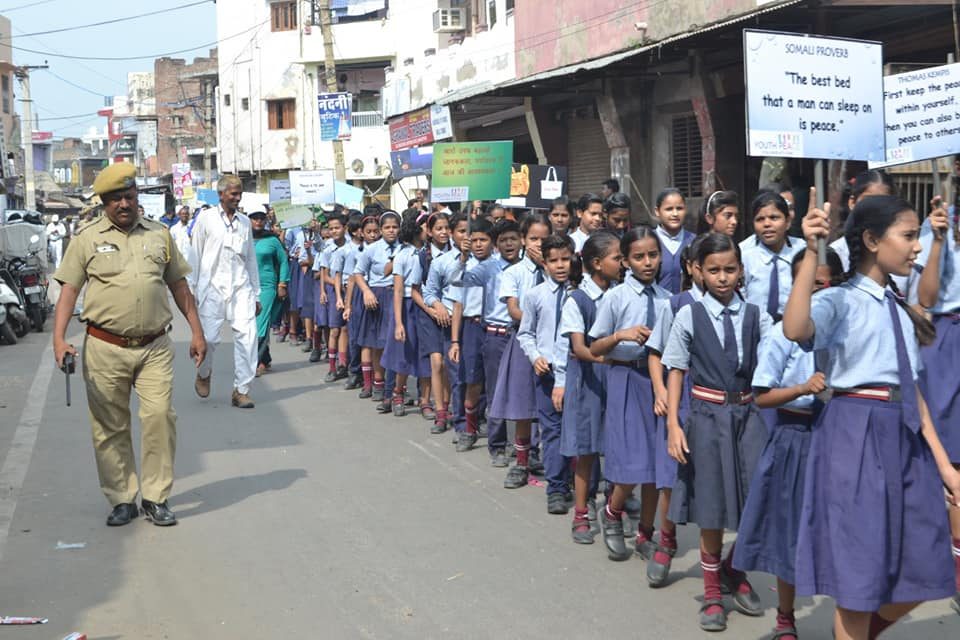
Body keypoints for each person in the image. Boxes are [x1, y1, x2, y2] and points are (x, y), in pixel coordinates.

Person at [784, 193, 960, 640]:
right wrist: (809, 250)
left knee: (928, 562)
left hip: (903, 439)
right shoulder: (840, 301)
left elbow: (913, 389)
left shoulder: (900, 306)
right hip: (854, 437)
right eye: (907, 236)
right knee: (857, 580)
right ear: (871, 240)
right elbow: (796, 328)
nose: (916, 246)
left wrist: (944, 467)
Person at [51, 162, 206, 527]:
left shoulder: (159, 234)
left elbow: (179, 287)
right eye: (116, 198)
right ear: (105, 203)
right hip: (104, 347)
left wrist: (197, 332)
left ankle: (155, 497)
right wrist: (59, 340)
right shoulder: (86, 238)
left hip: (154, 346)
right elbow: (69, 291)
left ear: (138, 198)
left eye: (130, 196)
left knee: (158, 418)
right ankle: (121, 498)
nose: (124, 204)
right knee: (110, 425)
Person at [663, 232, 771, 631]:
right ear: (699, 272)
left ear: (740, 271)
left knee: (759, 499)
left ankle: (733, 567)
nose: (722, 277)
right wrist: (674, 424)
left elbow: (775, 356)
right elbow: (675, 369)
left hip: (748, 416)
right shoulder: (689, 315)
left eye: (729, 269)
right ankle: (712, 591)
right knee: (711, 504)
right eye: (714, 270)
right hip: (706, 417)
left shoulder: (756, 315)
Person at [733, 248, 842, 640]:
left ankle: (848, 619)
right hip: (793, 437)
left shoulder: (844, 328)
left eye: (822, 282)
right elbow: (761, 395)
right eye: (805, 283)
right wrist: (802, 387)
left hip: (838, 438)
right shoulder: (782, 335)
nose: (814, 289)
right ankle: (785, 616)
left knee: (840, 530)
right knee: (789, 530)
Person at [589, 227, 671, 560]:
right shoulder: (616, 297)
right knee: (631, 463)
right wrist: (621, 335)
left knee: (655, 465)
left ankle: (645, 533)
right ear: (625, 260)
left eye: (653, 255)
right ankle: (612, 512)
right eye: (639, 256)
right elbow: (594, 345)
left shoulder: (668, 299)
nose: (647, 262)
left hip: (659, 383)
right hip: (625, 377)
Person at [555, 231, 621, 542]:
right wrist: (612, 357)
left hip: (616, 381)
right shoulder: (577, 299)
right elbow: (579, 349)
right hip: (589, 380)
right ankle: (581, 512)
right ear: (596, 263)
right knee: (587, 449)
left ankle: (613, 504)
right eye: (617, 259)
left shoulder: (621, 293)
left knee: (617, 445)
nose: (622, 264)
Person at [916, 195, 960, 614]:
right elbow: (926, 298)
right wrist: (939, 240)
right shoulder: (936, 229)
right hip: (947, 339)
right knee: (952, 455)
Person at [454, 218, 523, 467]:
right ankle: (494, 443)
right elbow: (457, 282)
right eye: (503, 240)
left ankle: (523, 446)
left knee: (519, 392)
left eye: (513, 239)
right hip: (491, 332)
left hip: (520, 334)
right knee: (488, 388)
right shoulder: (488, 268)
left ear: (521, 241)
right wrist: (462, 258)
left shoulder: (529, 267)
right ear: (498, 245)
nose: (508, 244)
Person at [190, 174, 262, 409]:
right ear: (221, 194)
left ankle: (241, 390)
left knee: (248, 339)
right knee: (209, 339)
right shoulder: (206, 219)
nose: (237, 198)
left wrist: (256, 294)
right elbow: (195, 255)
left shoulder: (244, 222)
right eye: (233, 193)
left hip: (241, 288)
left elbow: (250, 258)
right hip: (211, 288)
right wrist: (192, 290)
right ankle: (204, 372)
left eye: (239, 193)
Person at [493, 213, 553, 489]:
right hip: (523, 342)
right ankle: (521, 461)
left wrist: (548, 267)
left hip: (553, 344)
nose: (539, 245)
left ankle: (548, 458)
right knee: (522, 405)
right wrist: (536, 318)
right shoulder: (513, 273)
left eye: (544, 239)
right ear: (522, 240)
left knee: (550, 402)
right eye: (533, 239)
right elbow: (514, 310)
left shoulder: (558, 270)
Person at [518, 233, 575, 513]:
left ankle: (581, 483)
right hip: (547, 372)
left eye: (565, 259)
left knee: (577, 429)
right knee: (551, 430)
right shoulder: (535, 296)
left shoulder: (582, 294)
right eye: (554, 261)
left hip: (577, 373)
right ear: (545, 265)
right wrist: (535, 356)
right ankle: (556, 487)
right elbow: (525, 333)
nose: (561, 265)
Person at [448, 217, 494, 450]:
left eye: (483, 240)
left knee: (496, 382)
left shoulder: (501, 266)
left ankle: (498, 435)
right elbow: (457, 305)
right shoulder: (465, 267)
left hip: (497, 328)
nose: (478, 244)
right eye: (473, 240)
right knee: (472, 380)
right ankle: (468, 427)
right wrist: (455, 340)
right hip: (472, 327)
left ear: (492, 242)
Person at [741, 191, 804, 322]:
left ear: (787, 222)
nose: (767, 224)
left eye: (774, 218)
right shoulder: (745, 256)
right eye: (760, 219)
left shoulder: (802, 251)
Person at [250, 209, 289, 376]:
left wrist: (282, 284)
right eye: (254, 218)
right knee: (249, 324)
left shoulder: (272, 239)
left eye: (261, 218)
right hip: (246, 286)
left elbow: (284, 261)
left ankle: (255, 362)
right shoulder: (242, 237)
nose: (258, 222)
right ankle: (265, 359)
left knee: (261, 322)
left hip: (266, 286)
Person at [654, 188, 695, 294]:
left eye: (679, 208)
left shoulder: (694, 241)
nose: (675, 214)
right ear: (657, 211)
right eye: (669, 209)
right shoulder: (649, 240)